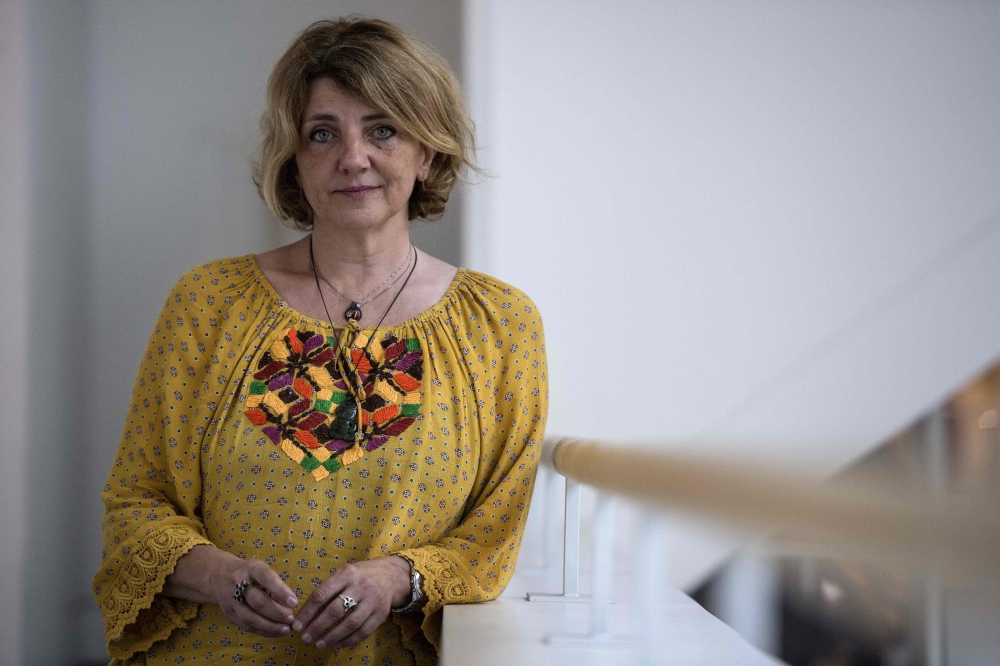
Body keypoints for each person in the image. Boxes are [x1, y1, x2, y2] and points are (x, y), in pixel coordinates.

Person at [92, 17, 548, 666]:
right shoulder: (209, 304)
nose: (353, 157)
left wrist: (399, 578)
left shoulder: (501, 327)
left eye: (383, 129)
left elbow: (493, 535)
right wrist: (222, 576)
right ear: (294, 160)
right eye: (322, 133)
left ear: (427, 152)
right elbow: (135, 505)